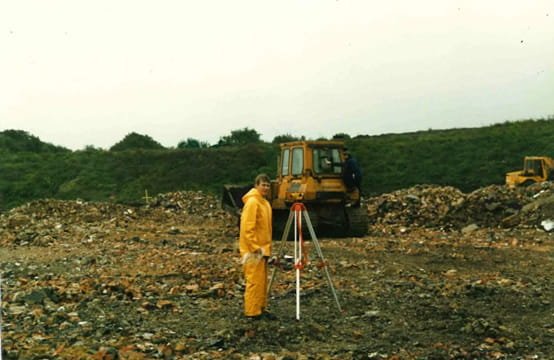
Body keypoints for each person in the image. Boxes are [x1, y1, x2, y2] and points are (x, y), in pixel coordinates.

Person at [239, 173, 273, 319]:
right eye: (263, 185)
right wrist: (254, 247)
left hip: (263, 248)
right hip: (253, 250)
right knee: (253, 281)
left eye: (267, 185)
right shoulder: (253, 202)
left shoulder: (265, 203)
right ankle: (252, 312)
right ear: (256, 186)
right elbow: (247, 227)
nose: (265, 188)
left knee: (262, 281)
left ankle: (261, 308)